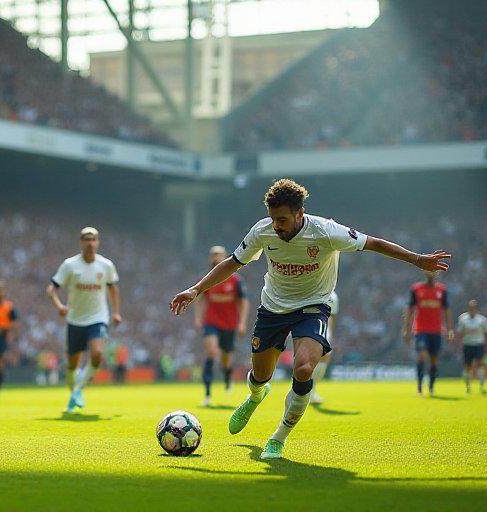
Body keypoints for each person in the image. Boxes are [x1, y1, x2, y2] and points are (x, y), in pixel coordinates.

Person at [170, 179, 450, 460]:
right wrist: (196, 289)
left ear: (299, 214)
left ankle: (278, 438)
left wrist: (416, 259)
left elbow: (372, 243)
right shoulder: (262, 231)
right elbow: (233, 261)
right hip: (272, 309)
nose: (276, 225)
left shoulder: (326, 231)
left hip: (312, 307)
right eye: (273, 218)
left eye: (282, 219)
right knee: (261, 375)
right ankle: (256, 395)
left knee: (303, 369)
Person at [47, 227, 122, 412]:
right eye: (86, 239)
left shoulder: (106, 265)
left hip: (98, 318)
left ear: (98, 242)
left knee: (97, 355)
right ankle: (75, 392)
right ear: (81, 243)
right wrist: (59, 306)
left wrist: (116, 312)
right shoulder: (70, 265)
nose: (90, 243)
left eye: (93, 239)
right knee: (73, 363)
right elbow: (51, 289)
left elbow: (113, 288)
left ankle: (79, 389)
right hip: (75, 320)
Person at [194, 245, 249, 406]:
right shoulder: (207, 279)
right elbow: (200, 300)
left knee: (226, 360)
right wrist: (198, 319)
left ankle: (227, 375)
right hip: (211, 322)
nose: (215, 257)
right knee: (211, 352)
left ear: (226, 257)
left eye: (218, 254)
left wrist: (242, 323)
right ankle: (207, 394)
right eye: (212, 255)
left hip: (229, 324)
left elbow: (243, 302)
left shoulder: (236, 280)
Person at [402, 271, 454, 396]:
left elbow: (446, 311)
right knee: (422, 356)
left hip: (436, 330)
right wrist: (406, 328)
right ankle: (419, 386)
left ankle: (431, 386)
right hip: (421, 330)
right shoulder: (417, 289)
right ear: (425, 274)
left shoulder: (442, 290)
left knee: (433, 361)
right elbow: (409, 309)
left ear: (436, 275)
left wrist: (450, 329)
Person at [455, 300, 487, 394]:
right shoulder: (462, 318)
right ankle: (467, 386)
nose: (472, 309)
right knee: (467, 366)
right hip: (467, 344)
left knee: (480, 364)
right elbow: (459, 332)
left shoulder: (482, 320)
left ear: (476, 308)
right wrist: (459, 343)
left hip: (479, 344)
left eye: (474, 307)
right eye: (470, 307)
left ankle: (482, 385)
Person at [309, 290, 339, 405]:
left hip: (325, 328)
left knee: (325, 356)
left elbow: (332, 317)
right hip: (313, 325)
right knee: (318, 356)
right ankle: (307, 390)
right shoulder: (314, 290)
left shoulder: (333, 296)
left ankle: (312, 390)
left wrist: (330, 334)